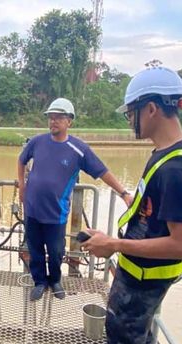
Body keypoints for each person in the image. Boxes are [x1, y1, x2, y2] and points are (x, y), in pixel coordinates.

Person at [81, 67, 182, 344]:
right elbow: (152, 219)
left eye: (131, 113)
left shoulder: (177, 169)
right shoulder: (165, 154)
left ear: (151, 109)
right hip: (140, 273)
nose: (129, 121)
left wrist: (114, 245)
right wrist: (111, 240)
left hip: (145, 281)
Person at [18, 97, 132, 301]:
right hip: (32, 209)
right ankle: (39, 282)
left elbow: (103, 172)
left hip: (56, 213)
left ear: (69, 121)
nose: (53, 121)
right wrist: (22, 185)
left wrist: (123, 193)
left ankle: (55, 280)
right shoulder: (37, 142)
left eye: (58, 117)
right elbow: (21, 160)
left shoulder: (79, 149)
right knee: (35, 249)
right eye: (51, 117)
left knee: (55, 251)